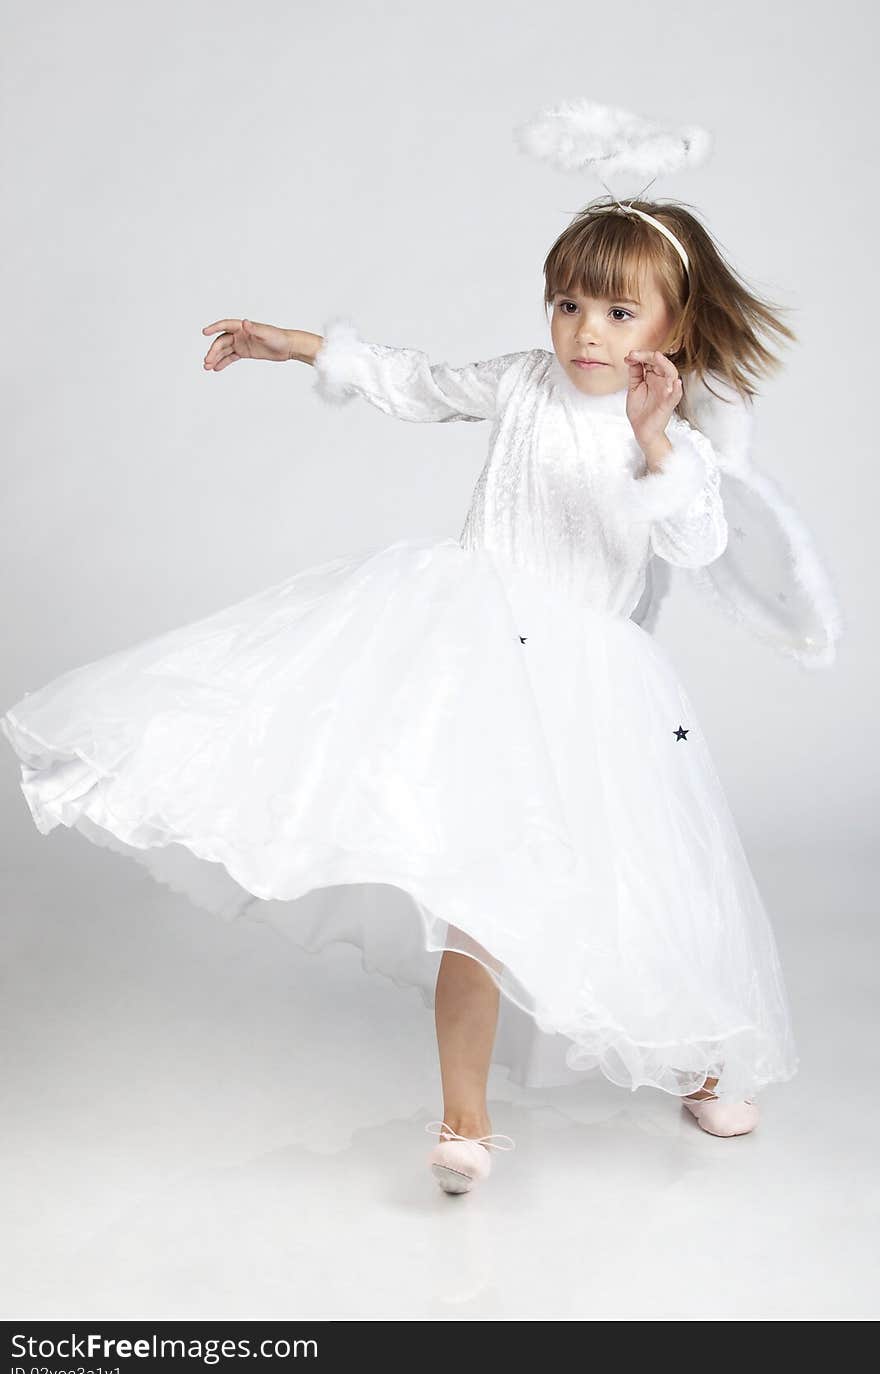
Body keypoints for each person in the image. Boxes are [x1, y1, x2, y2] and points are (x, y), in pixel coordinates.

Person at [1, 195, 839, 1197]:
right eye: (567, 303)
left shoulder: (670, 435)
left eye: (618, 313)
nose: (584, 330)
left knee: (638, 886)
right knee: (472, 889)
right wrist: (294, 343)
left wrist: (655, 438)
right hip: (472, 650)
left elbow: (695, 539)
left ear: (674, 325)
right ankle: (465, 1120)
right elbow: (409, 377)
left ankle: (703, 1060)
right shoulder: (524, 384)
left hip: (586, 687)